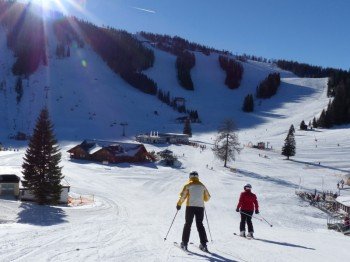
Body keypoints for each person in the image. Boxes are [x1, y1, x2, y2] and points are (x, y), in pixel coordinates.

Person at [177, 171, 211, 252]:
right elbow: (208, 198)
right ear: (197, 177)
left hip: (190, 207)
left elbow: (183, 195)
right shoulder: (202, 185)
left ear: (190, 176)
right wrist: (201, 198)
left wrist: (179, 204)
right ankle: (204, 244)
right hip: (200, 208)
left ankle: (184, 243)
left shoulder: (188, 185)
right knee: (200, 224)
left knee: (188, 224)